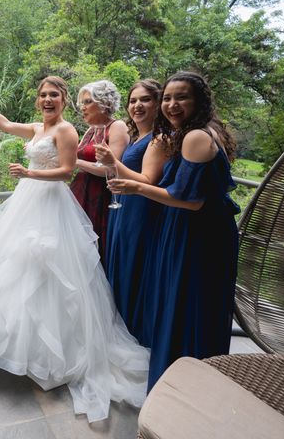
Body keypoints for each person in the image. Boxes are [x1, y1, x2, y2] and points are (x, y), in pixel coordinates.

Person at [0, 76, 150, 423]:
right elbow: (6, 124)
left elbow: (67, 172)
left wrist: (28, 171)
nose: (47, 100)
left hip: (51, 204)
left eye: (54, 95)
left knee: (50, 269)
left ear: (64, 99)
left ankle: (50, 351)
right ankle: (16, 343)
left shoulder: (67, 130)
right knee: (15, 266)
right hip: (27, 201)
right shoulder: (38, 127)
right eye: (42, 95)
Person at [107, 71, 239, 391]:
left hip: (196, 232)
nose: (172, 104)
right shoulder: (200, 131)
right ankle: (199, 380)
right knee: (196, 305)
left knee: (185, 304)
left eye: (181, 97)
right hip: (200, 229)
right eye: (167, 97)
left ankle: (181, 386)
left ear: (199, 101)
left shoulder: (195, 137)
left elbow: (189, 201)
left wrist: (135, 189)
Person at [95, 79, 166, 344]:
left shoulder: (159, 138)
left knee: (133, 269)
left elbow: (147, 180)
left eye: (145, 99)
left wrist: (113, 162)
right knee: (119, 266)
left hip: (141, 210)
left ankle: (135, 334)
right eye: (133, 100)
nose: (137, 105)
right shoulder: (137, 137)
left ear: (158, 104)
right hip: (122, 207)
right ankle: (120, 329)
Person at [69, 80, 129, 263]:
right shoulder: (90, 130)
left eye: (88, 102)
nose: (82, 108)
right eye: (82, 103)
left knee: (94, 246)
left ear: (104, 104)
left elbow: (111, 169)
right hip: (80, 192)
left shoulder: (117, 127)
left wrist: (76, 162)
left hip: (100, 195)